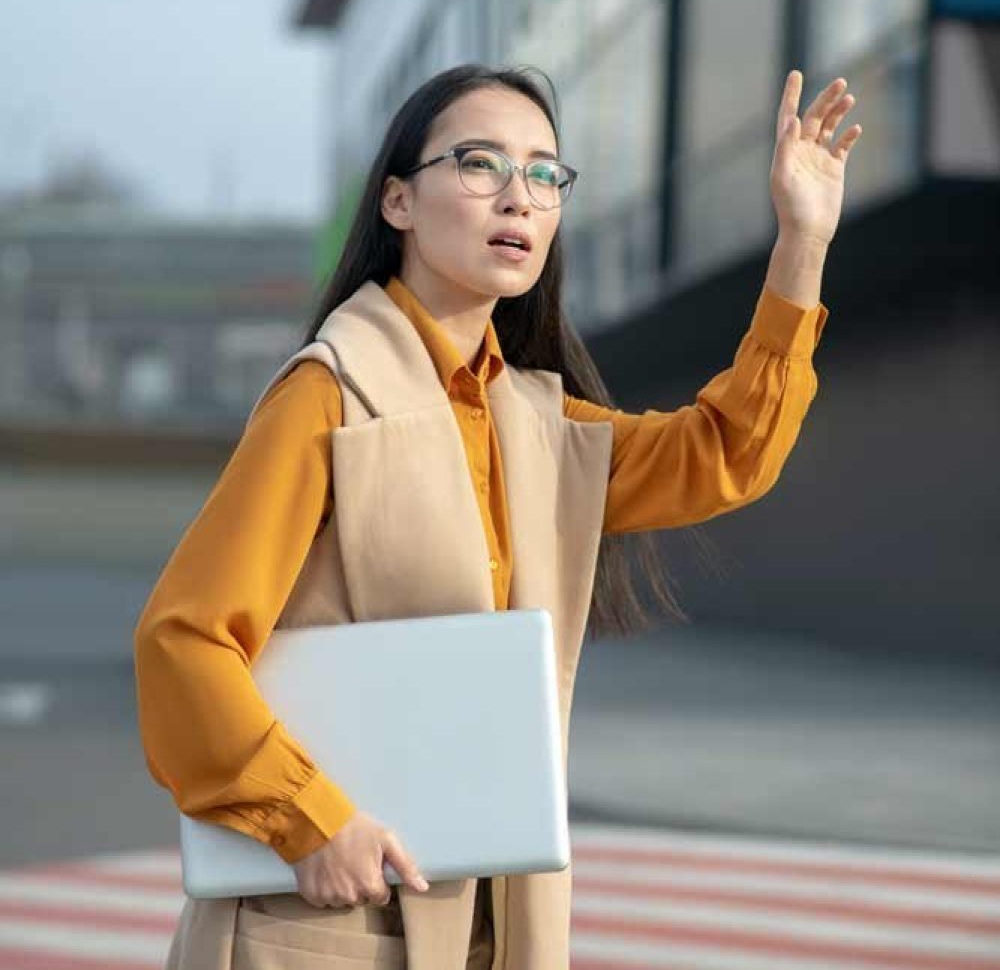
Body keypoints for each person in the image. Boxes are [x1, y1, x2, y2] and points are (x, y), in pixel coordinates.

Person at [133, 62, 860, 969]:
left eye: (545, 174)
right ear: (398, 201)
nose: (519, 196)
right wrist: (309, 821)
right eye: (480, 164)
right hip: (331, 915)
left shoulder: (538, 425)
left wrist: (802, 240)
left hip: (496, 924)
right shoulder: (328, 396)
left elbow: (724, 455)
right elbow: (183, 642)